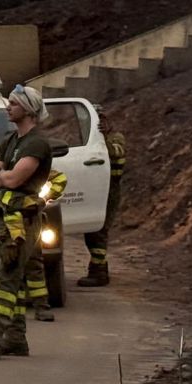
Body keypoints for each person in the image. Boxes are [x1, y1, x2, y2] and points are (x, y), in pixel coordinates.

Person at [0, 84, 55, 361]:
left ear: (29, 109)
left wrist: (0, 175)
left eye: (13, 103)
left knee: (7, 279)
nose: (8, 107)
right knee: (10, 277)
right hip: (3, 219)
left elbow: (10, 179)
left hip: (24, 221)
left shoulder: (37, 144)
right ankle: (16, 339)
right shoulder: (9, 141)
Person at [77, 113, 128, 288]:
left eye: (103, 121)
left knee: (99, 231)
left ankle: (98, 271)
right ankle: (99, 267)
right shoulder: (93, 141)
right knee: (92, 232)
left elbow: (116, 152)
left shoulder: (116, 138)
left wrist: (103, 139)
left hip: (110, 190)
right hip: (98, 188)